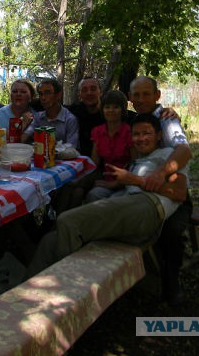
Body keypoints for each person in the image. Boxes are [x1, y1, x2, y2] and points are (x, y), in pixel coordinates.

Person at [26, 113, 188, 277]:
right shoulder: (138, 159)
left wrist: (135, 180)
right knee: (50, 240)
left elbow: (180, 193)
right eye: (136, 134)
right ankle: (25, 293)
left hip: (147, 208)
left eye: (146, 133)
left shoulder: (168, 155)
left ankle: (66, 285)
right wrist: (118, 183)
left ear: (159, 135)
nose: (141, 138)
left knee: (67, 221)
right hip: (125, 205)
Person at [127, 75, 193, 305]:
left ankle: (171, 283)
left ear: (157, 96)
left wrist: (160, 173)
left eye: (147, 94)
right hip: (140, 187)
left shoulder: (167, 120)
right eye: (136, 95)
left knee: (170, 231)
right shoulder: (134, 118)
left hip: (171, 190)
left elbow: (184, 150)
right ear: (130, 98)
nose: (141, 99)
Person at [85, 89, 136, 202]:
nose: (111, 110)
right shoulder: (97, 132)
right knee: (92, 196)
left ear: (122, 110)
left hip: (128, 183)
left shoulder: (129, 132)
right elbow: (94, 162)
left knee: (113, 201)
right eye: (107, 107)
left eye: (115, 107)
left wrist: (115, 184)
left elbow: (135, 164)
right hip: (105, 181)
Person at [22, 78, 79, 147]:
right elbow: (24, 137)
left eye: (47, 93)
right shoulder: (38, 117)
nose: (43, 98)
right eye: (40, 94)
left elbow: (72, 147)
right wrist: (23, 125)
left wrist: (52, 148)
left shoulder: (69, 119)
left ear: (58, 95)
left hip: (62, 157)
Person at [67, 77, 105, 155]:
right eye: (84, 90)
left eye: (93, 89)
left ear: (101, 92)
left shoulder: (110, 113)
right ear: (79, 94)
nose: (89, 93)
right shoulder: (74, 111)